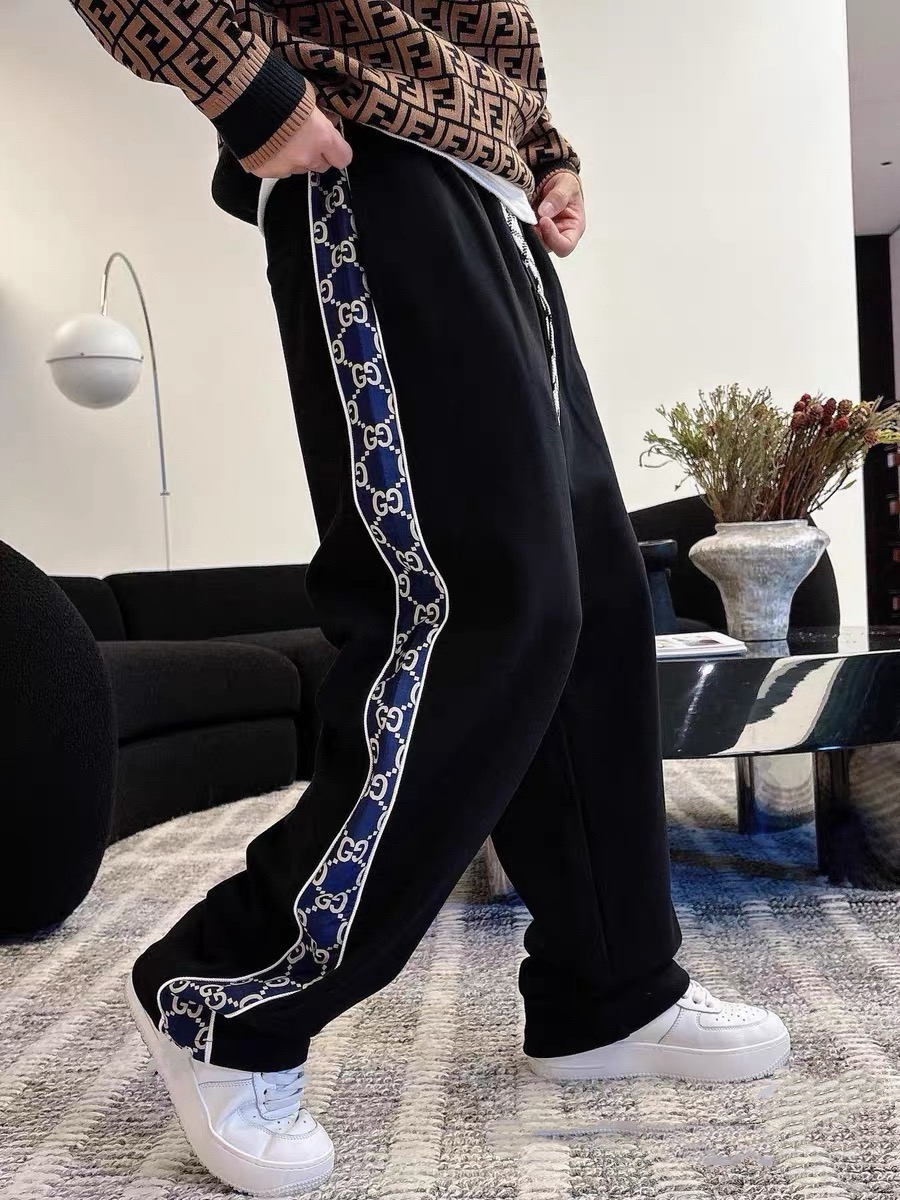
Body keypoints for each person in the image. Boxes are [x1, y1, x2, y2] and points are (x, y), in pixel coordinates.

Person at [68, 3, 791, 1194]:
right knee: (478, 605)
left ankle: (609, 991)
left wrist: (544, 153)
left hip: (496, 204)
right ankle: (226, 994)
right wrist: (248, 89)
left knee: (593, 607)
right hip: (370, 159)